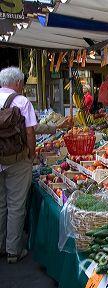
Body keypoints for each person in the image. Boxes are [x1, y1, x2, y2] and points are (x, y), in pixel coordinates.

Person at [0, 67, 37, 263]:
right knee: (16, 205)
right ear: (16, 83)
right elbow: (30, 132)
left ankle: (0, 246)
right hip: (17, 160)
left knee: (0, 204)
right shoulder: (22, 102)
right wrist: (31, 155)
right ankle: (13, 251)